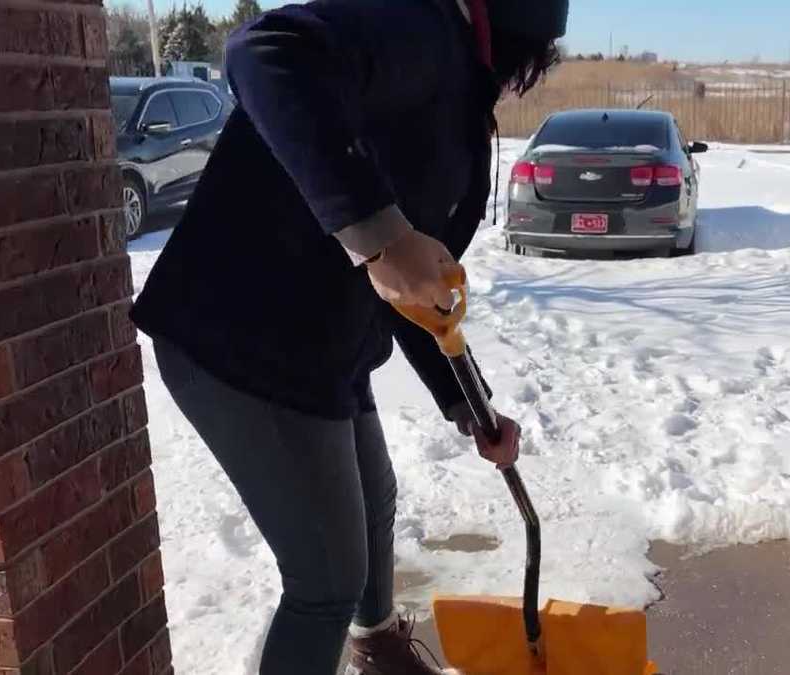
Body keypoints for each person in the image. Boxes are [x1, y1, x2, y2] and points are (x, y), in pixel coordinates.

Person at [129, 0, 567, 672]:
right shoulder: (420, 28)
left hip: (319, 348)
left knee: (374, 504)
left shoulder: (458, 97)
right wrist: (379, 235)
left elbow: (418, 294)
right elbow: (263, 53)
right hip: (240, 338)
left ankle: (377, 646)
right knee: (326, 577)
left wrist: (469, 405)